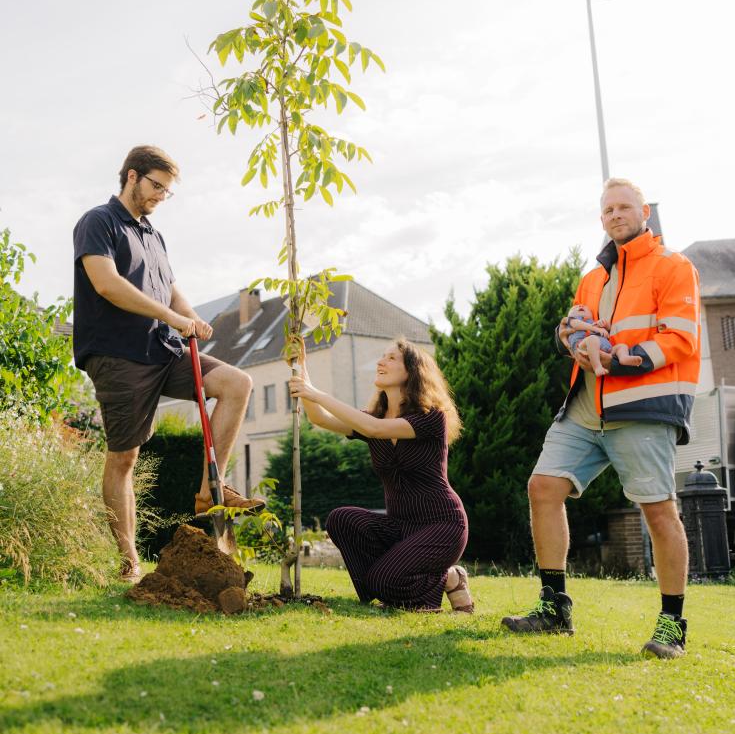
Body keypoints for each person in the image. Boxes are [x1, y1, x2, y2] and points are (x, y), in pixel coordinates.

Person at [501, 178, 701, 659]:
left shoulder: (675, 267)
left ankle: (672, 625)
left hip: (642, 408)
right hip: (585, 406)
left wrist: (617, 356)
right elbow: (573, 324)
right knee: (543, 487)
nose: (615, 215)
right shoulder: (594, 277)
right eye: (608, 209)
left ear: (644, 213)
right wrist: (580, 340)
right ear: (601, 218)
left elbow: (680, 337)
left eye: (624, 207)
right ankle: (554, 610)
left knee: (657, 511)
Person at [73, 145, 261, 582]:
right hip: (119, 355)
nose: (161, 196)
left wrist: (190, 316)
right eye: (157, 186)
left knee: (237, 383)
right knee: (125, 458)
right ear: (133, 176)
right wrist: (172, 317)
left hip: (165, 350)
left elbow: (171, 290)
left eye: (167, 191)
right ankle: (129, 563)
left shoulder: (153, 236)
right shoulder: (98, 222)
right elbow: (106, 284)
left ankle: (209, 490)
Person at [287, 336, 472, 612]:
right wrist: (301, 367)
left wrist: (315, 393)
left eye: (391, 358)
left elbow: (375, 429)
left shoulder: (431, 418)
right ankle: (385, 590)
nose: (380, 362)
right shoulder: (375, 417)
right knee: (342, 519)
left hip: (441, 526)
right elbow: (320, 418)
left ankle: (448, 578)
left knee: (384, 579)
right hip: (399, 526)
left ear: (412, 371)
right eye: (382, 357)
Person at [564, 304, 643, 376]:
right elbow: (576, 325)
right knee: (592, 339)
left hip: (606, 350)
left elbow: (608, 333)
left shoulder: (594, 323)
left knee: (621, 346)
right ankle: (597, 367)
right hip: (583, 346)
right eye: (575, 308)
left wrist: (606, 325)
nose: (580, 306)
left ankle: (624, 358)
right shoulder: (573, 321)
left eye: (584, 306)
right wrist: (594, 328)